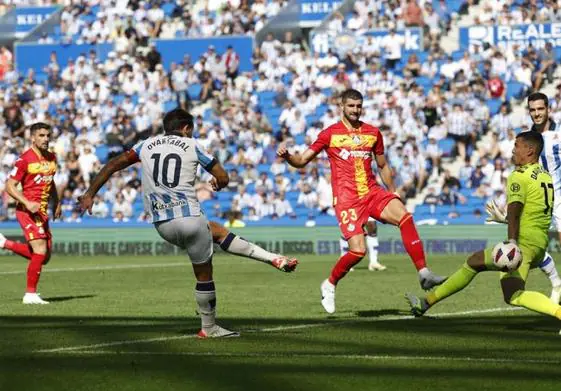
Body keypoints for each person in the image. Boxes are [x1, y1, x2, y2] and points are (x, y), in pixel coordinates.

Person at [277, 89, 445, 314]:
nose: (356, 110)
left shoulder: (372, 132)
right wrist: (288, 156)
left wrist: (392, 192)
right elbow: (302, 160)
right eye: (351, 106)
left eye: (359, 106)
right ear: (342, 107)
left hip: (372, 192)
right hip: (347, 201)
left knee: (405, 216)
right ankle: (330, 284)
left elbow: (383, 165)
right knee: (358, 251)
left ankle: (424, 273)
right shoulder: (329, 134)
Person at [78, 109, 237, 338]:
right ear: (186, 128)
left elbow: (114, 164)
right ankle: (209, 327)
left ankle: (209, 327)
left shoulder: (146, 144)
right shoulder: (192, 144)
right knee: (204, 271)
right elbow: (222, 176)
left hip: (161, 221)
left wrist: (90, 193)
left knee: (204, 261)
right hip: (189, 217)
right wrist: (219, 184)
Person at [406, 131, 561, 324]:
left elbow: (515, 210)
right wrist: (505, 220)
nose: (512, 151)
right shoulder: (545, 176)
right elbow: (534, 212)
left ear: (529, 150)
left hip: (523, 243)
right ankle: (426, 302)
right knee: (475, 261)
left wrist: (512, 241)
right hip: (539, 242)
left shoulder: (519, 176)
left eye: (516, 146)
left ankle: (558, 312)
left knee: (513, 295)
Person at [487, 92, 561, 304]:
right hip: (537, 200)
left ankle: (556, 286)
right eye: (533, 110)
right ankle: (556, 285)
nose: (537, 113)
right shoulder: (527, 139)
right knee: (534, 246)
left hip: (558, 200)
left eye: (541, 109)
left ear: (548, 109)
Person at [0, 122, 61, 304]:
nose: (46, 139)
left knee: (44, 257)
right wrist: (27, 202)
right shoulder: (25, 159)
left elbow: (50, 182)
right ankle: (30, 294)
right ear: (32, 138)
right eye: (41, 135)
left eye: (48, 135)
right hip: (27, 211)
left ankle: (4, 243)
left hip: (42, 212)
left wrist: (56, 202)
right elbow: (9, 186)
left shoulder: (52, 158)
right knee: (40, 250)